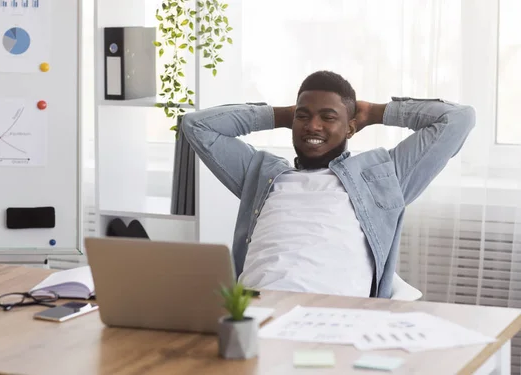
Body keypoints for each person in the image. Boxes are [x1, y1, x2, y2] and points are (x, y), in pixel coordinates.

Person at [181, 70, 475, 298]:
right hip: (255, 310)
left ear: (350, 126)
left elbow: (458, 119)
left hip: (332, 313)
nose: (313, 126)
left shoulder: (381, 177)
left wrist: (374, 112)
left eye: (328, 117)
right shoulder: (261, 175)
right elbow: (196, 125)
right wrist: (283, 114)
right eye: (304, 117)